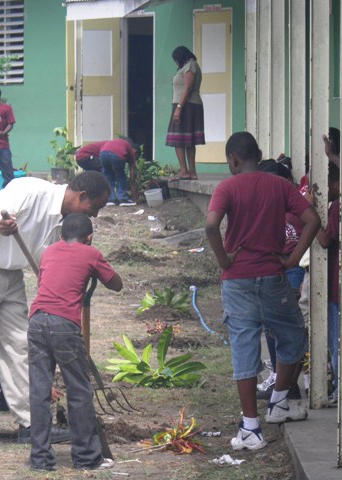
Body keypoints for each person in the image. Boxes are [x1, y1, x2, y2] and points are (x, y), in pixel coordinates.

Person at [0, 171, 110, 448]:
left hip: (11, 275)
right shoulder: (31, 191)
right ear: (81, 196)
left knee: (21, 346)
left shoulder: (64, 225)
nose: (93, 215)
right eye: (93, 207)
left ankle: (32, 423)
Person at [205, 132, 320, 451]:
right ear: (257, 154)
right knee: (294, 335)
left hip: (236, 279)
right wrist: (294, 258)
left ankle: (250, 428)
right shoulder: (281, 186)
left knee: (244, 347)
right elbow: (312, 219)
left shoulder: (226, 187)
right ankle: (279, 401)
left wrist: (224, 259)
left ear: (232, 160)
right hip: (273, 276)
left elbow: (212, 225)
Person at [28, 213, 122, 471]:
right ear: (89, 237)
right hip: (64, 324)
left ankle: (40, 458)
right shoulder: (90, 253)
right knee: (79, 389)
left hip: (36, 320)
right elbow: (116, 284)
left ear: (61, 235)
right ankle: (86, 457)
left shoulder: (47, 253)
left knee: (39, 390)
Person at [256, 158, 305, 401]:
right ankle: (278, 375)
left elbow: (312, 225)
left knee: (289, 327)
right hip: (272, 269)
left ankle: (289, 383)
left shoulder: (297, 206)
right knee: (271, 326)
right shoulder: (265, 207)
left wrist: (293, 260)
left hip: (292, 268)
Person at [313, 162, 340, 405]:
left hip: (335, 289)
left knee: (336, 343)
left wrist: (310, 215)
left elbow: (325, 240)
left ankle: (337, 387)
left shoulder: (336, 208)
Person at [166, 46, 205, 181]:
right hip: (188, 105)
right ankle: (191, 172)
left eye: (176, 59)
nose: (176, 62)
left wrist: (178, 107)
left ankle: (184, 171)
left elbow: (187, 87)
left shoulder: (190, 66)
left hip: (186, 105)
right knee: (189, 140)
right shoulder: (190, 66)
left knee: (178, 139)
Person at [99, 138, 138, 206]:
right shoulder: (128, 146)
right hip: (116, 155)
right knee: (121, 176)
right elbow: (132, 166)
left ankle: (110, 199)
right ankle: (122, 199)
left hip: (102, 154)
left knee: (108, 176)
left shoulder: (114, 142)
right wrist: (131, 179)